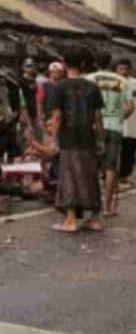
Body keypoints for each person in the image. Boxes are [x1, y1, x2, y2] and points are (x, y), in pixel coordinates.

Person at [51, 50, 105, 232]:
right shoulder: (93, 87)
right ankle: (95, 219)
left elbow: (57, 116)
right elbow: (98, 117)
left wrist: (53, 139)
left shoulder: (59, 87)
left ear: (65, 65)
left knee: (69, 176)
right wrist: (101, 140)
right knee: (91, 175)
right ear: (82, 65)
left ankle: (71, 219)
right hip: (88, 138)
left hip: (69, 138)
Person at [87, 55, 133, 216]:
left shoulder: (89, 78)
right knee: (111, 167)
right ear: (111, 64)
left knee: (91, 164)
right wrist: (120, 117)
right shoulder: (122, 81)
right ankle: (107, 207)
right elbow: (130, 105)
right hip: (114, 126)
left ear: (95, 63)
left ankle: (91, 205)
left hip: (93, 125)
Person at [116, 59, 136, 184]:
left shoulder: (134, 83)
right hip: (114, 121)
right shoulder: (111, 82)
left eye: (125, 69)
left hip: (131, 121)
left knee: (129, 150)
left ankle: (124, 174)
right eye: (120, 69)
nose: (123, 71)